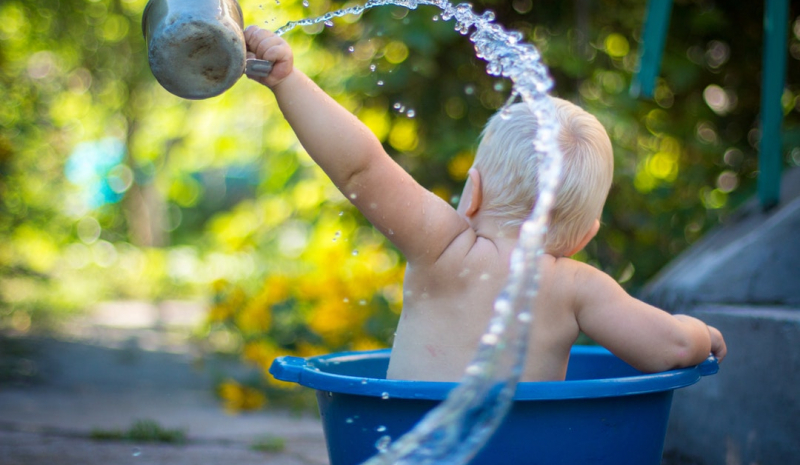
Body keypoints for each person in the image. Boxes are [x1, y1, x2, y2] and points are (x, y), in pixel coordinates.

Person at [243, 26, 727, 382]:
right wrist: (702, 334)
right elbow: (672, 347)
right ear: (585, 236)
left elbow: (361, 168)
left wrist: (287, 79)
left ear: (471, 192)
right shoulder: (578, 288)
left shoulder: (443, 248)